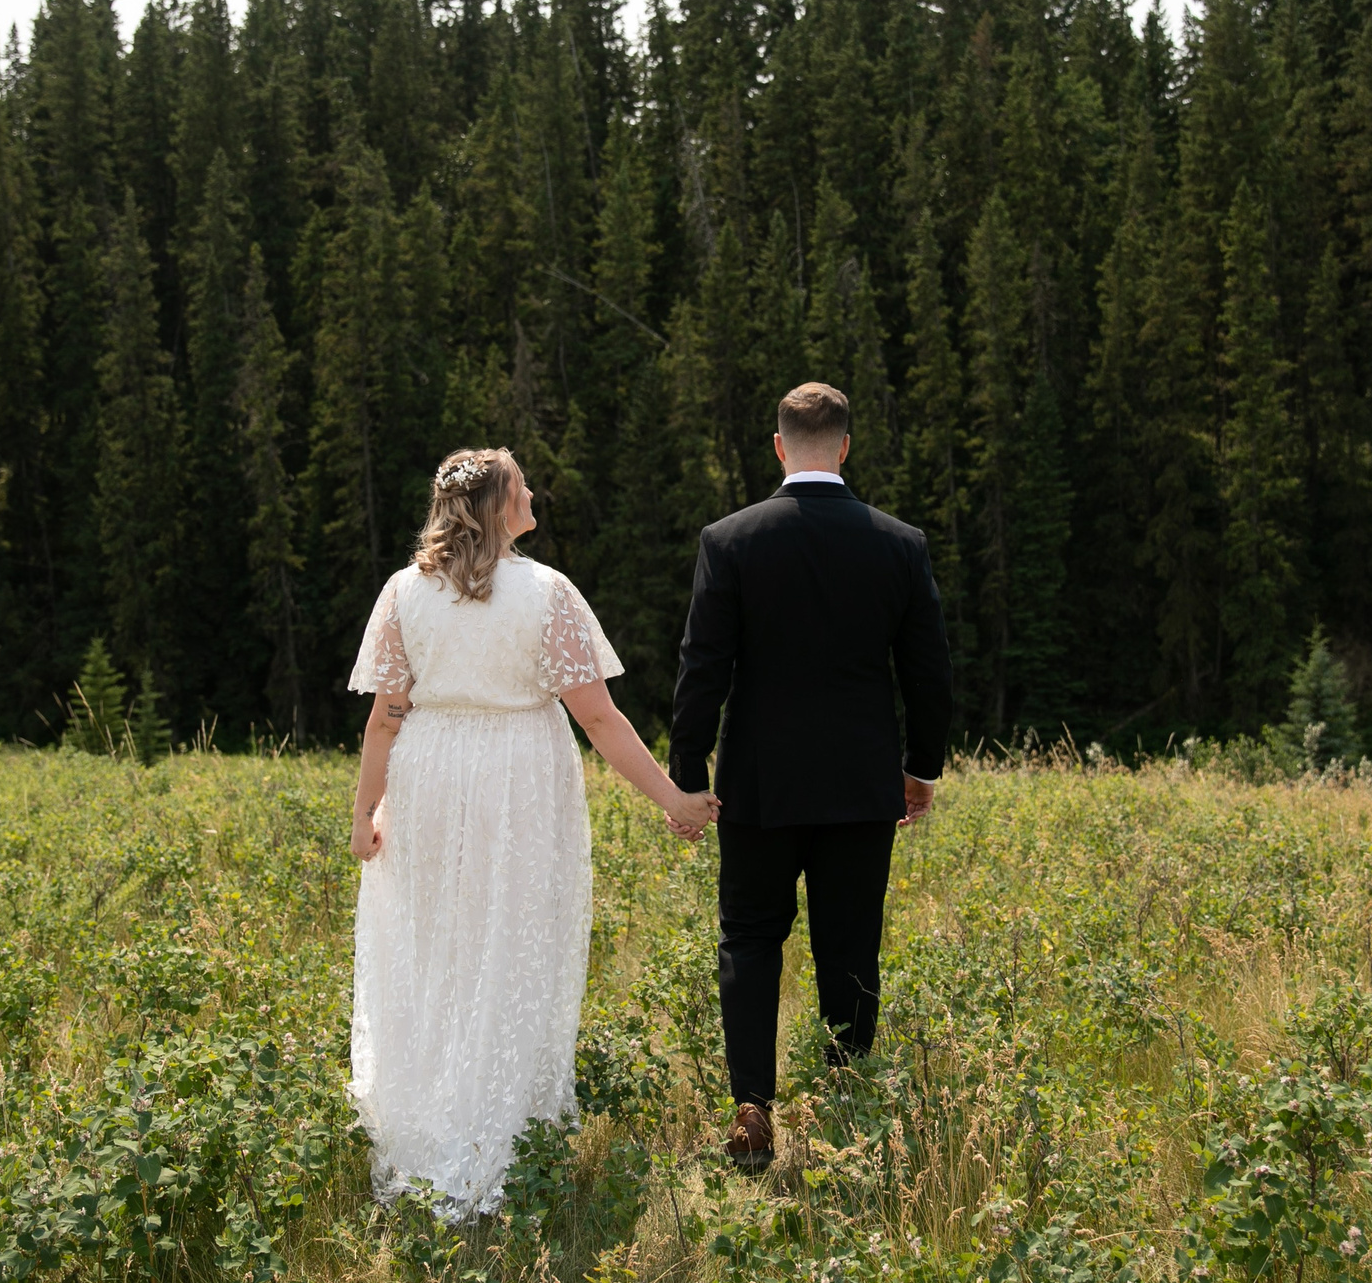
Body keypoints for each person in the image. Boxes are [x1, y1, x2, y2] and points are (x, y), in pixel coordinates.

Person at [346, 447, 716, 1217]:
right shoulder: (545, 591)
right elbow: (599, 718)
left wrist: (365, 810)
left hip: (429, 774)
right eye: (521, 486)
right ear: (495, 506)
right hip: (514, 778)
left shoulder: (403, 593)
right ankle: (494, 1131)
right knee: (506, 942)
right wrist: (672, 799)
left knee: (438, 947)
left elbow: (386, 716)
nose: (533, 492)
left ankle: (432, 1126)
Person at [667, 382, 953, 1170]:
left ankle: (753, 1106)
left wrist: (689, 775)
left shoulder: (731, 540)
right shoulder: (900, 544)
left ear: (781, 447)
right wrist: (919, 769)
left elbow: (703, 669)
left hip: (759, 785)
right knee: (851, 947)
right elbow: (929, 675)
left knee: (752, 940)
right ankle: (849, 1103)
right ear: (847, 447)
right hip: (862, 786)